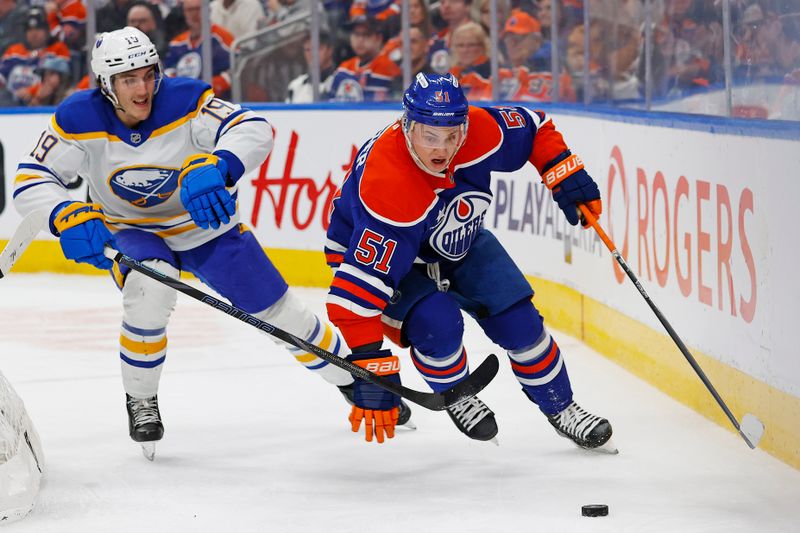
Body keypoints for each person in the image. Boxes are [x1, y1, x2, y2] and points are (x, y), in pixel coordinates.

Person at [12, 27, 410, 458]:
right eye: (129, 80)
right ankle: (141, 398)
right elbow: (31, 177)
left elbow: (252, 128)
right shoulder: (77, 118)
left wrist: (220, 164)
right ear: (107, 85)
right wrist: (63, 213)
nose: (143, 88)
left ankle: (352, 380)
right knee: (151, 288)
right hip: (132, 230)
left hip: (208, 229)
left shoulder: (185, 100)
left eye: (148, 74)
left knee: (284, 316)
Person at [325, 73, 614, 450]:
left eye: (451, 135)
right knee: (437, 326)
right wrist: (369, 363)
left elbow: (534, 127)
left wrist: (564, 171)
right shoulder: (389, 187)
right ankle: (457, 392)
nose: (442, 149)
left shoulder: (477, 129)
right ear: (407, 125)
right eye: (429, 136)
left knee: (521, 323)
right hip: (396, 258)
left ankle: (563, 408)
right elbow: (351, 301)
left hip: (458, 236)